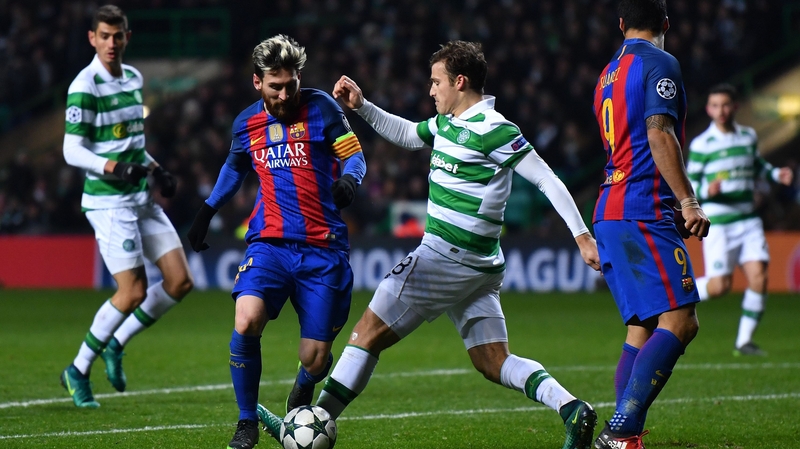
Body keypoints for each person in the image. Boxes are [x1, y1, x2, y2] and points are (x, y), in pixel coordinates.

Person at [258, 40, 602, 449]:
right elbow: (408, 134)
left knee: (366, 333)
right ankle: (572, 408)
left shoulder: (494, 129)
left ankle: (309, 428)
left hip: (445, 257)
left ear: (460, 82)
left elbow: (546, 178)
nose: (431, 90)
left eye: (437, 82)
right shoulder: (448, 123)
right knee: (493, 360)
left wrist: (582, 236)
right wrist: (363, 106)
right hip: (480, 266)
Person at [186, 34, 367, 449]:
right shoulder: (246, 123)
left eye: (291, 85)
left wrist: (349, 181)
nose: (285, 95)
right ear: (257, 82)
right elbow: (235, 167)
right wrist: (207, 210)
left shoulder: (322, 107)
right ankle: (246, 422)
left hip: (323, 248)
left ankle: (305, 383)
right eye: (275, 86)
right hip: (269, 244)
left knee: (314, 358)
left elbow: (354, 155)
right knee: (246, 319)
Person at [60, 4, 194, 409]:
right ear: (92, 38)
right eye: (104, 35)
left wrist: (157, 169)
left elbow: (131, 144)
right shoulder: (85, 86)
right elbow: (71, 150)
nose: (111, 43)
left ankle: (116, 342)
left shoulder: (133, 78)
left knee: (179, 282)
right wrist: (115, 167)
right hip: (109, 202)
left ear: (127, 37)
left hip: (140, 196)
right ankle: (78, 368)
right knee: (132, 291)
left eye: (118, 36)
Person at [591, 1, 711, 448]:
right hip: (641, 208)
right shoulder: (660, 63)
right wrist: (688, 201)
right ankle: (621, 429)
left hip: (609, 209)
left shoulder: (606, 74)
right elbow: (659, 133)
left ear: (622, 24)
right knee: (681, 320)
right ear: (665, 23)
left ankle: (626, 438)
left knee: (641, 327)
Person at [687, 83, 794, 356]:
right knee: (719, 286)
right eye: (715, 105)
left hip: (748, 220)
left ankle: (744, 341)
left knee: (759, 277)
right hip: (719, 223)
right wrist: (706, 190)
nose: (721, 110)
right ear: (708, 109)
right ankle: (676, 294)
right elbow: (689, 184)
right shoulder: (702, 144)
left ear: (734, 107)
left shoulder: (748, 137)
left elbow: (756, 165)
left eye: (725, 105)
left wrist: (776, 174)